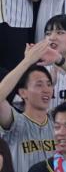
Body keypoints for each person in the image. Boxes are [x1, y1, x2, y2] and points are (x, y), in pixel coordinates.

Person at [0, 44, 56, 172]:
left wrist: (60, 60)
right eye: (39, 85)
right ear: (22, 92)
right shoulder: (16, 122)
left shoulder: (59, 122)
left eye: (49, 84)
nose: (46, 90)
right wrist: (27, 61)